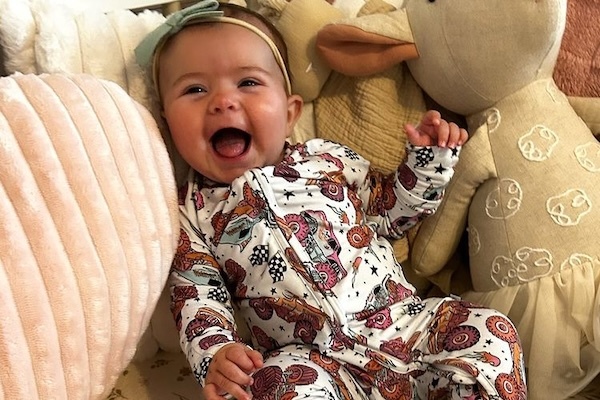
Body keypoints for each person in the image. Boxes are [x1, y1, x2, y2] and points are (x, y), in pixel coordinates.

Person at [135, 2, 527, 399]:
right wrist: (217, 356)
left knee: (490, 333)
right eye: (195, 89)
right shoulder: (192, 214)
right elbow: (198, 297)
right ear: (166, 122)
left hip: (406, 327)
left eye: (248, 83)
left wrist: (427, 162)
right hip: (311, 363)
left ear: (290, 113)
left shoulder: (328, 159)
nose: (222, 101)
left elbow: (391, 214)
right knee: (274, 383)